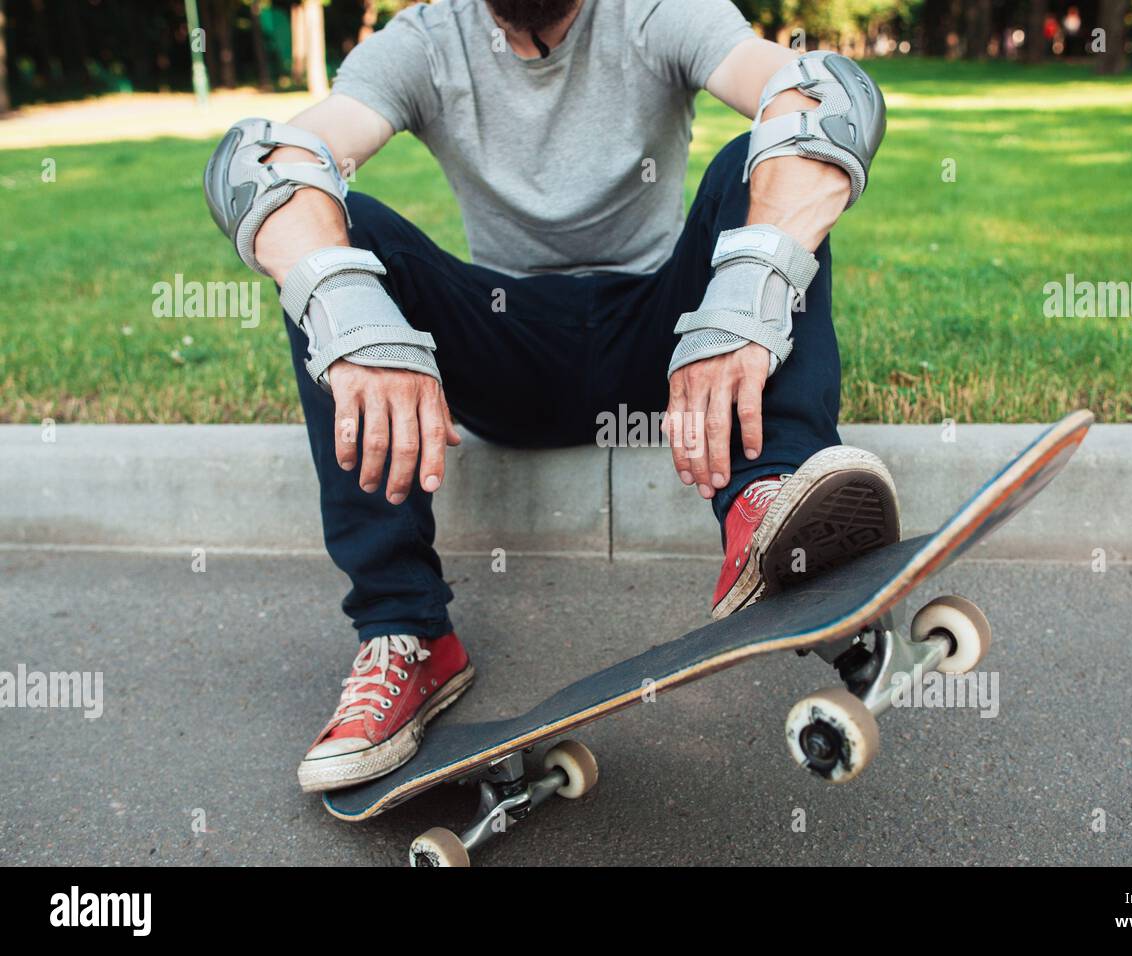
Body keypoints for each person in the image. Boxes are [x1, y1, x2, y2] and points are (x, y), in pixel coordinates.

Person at [202, 0, 901, 793]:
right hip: (507, 349)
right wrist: (347, 308)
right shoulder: (429, 40)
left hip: (665, 331)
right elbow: (264, 163)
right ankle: (406, 629)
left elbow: (823, 96)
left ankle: (768, 508)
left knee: (763, 156)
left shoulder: (655, 11)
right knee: (334, 232)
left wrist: (751, 281)